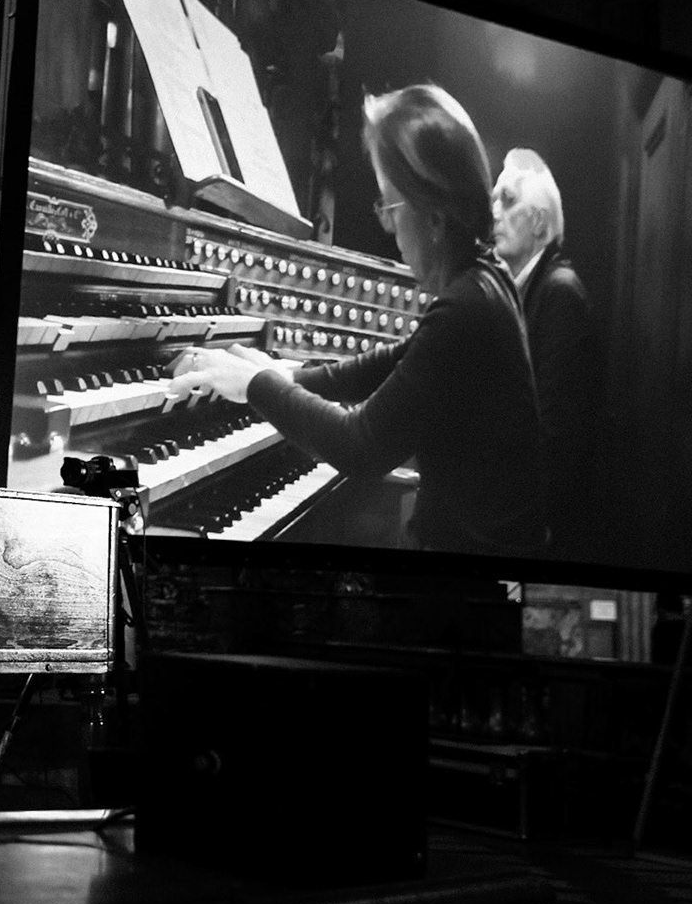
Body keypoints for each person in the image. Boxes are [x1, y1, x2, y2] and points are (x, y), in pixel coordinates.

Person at [168, 83, 545, 554]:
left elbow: (360, 446)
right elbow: (397, 361)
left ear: (434, 217)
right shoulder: (486, 279)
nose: (388, 229)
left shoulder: (467, 306)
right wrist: (291, 374)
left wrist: (256, 384)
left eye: (390, 206)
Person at [491, 148, 601, 554]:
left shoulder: (559, 292)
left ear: (538, 221)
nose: (494, 213)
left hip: (545, 532)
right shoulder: (528, 288)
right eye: (493, 200)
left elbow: (559, 437)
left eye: (507, 200)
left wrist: (531, 529)